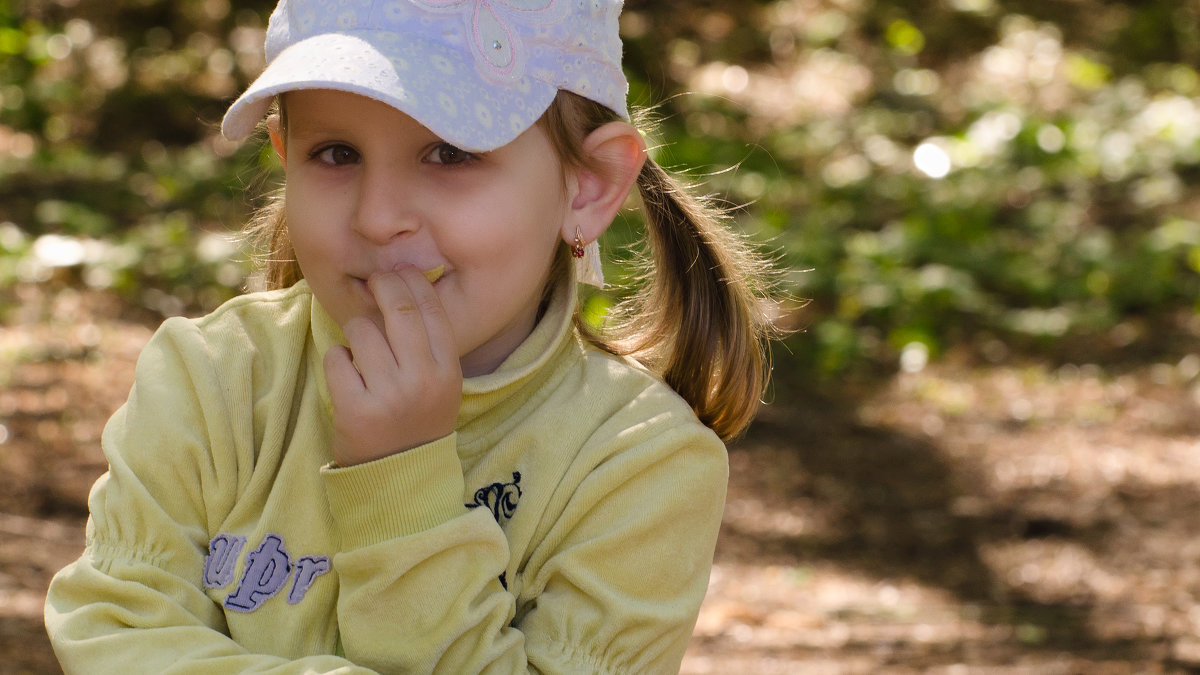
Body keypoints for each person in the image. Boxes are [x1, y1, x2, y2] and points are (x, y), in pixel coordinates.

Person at [45, 0, 774, 672]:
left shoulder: (638, 464)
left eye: (449, 153)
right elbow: (115, 631)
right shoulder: (210, 380)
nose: (377, 215)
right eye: (336, 154)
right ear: (283, 153)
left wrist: (401, 481)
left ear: (586, 186)